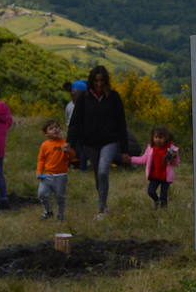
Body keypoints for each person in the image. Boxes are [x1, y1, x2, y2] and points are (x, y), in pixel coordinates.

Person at [65, 65, 130, 220]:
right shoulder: (84, 98)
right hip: (90, 143)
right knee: (97, 176)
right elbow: (75, 122)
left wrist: (124, 150)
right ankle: (104, 204)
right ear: (91, 81)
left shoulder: (114, 97)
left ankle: (101, 209)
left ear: (106, 81)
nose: (99, 84)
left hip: (110, 141)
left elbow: (122, 123)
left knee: (102, 171)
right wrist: (70, 143)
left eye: (101, 81)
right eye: (96, 81)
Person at [130, 126, 180, 209]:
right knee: (150, 192)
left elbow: (175, 163)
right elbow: (143, 159)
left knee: (164, 196)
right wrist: (130, 159)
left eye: (161, 137)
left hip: (165, 177)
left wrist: (175, 157)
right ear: (152, 138)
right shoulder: (151, 148)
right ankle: (157, 201)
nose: (158, 140)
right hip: (154, 176)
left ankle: (164, 211)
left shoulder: (170, 149)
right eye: (156, 137)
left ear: (166, 138)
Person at [36, 120, 75, 221]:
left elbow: (73, 156)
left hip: (61, 175)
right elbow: (41, 159)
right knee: (41, 193)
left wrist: (68, 151)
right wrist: (39, 171)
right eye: (51, 128)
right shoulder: (45, 145)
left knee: (60, 197)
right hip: (47, 175)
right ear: (46, 133)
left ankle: (60, 215)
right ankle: (48, 211)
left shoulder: (64, 142)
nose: (55, 130)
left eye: (57, 127)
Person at [65, 79, 90, 171]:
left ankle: (82, 167)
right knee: (74, 149)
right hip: (74, 133)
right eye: (72, 93)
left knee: (81, 150)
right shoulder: (69, 106)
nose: (73, 95)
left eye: (76, 93)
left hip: (83, 133)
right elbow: (68, 121)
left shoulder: (88, 105)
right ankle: (75, 164)